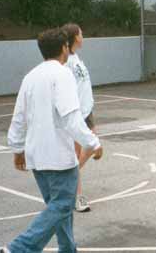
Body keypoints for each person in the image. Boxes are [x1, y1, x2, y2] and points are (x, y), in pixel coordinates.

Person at [2, 28, 103, 253]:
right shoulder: (62, 74)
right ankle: (19, 248)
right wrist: (93, 142)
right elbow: (71, 118)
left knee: (59, 209)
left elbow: (19, 117)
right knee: (61, 206)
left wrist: (18, 149)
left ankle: (68, 249)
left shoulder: (30, 76)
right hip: (58, 157)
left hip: (36, 157)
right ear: (64, 48)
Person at [62, 23, 95, 213]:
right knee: (78, 152)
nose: (83, 36)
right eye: (81, 34)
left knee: (91, 146)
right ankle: (77, 197)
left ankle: (69, 177)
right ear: (75, 37)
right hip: (77, 112)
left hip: (87, 110)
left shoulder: (76, 58)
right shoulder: (66, 61)